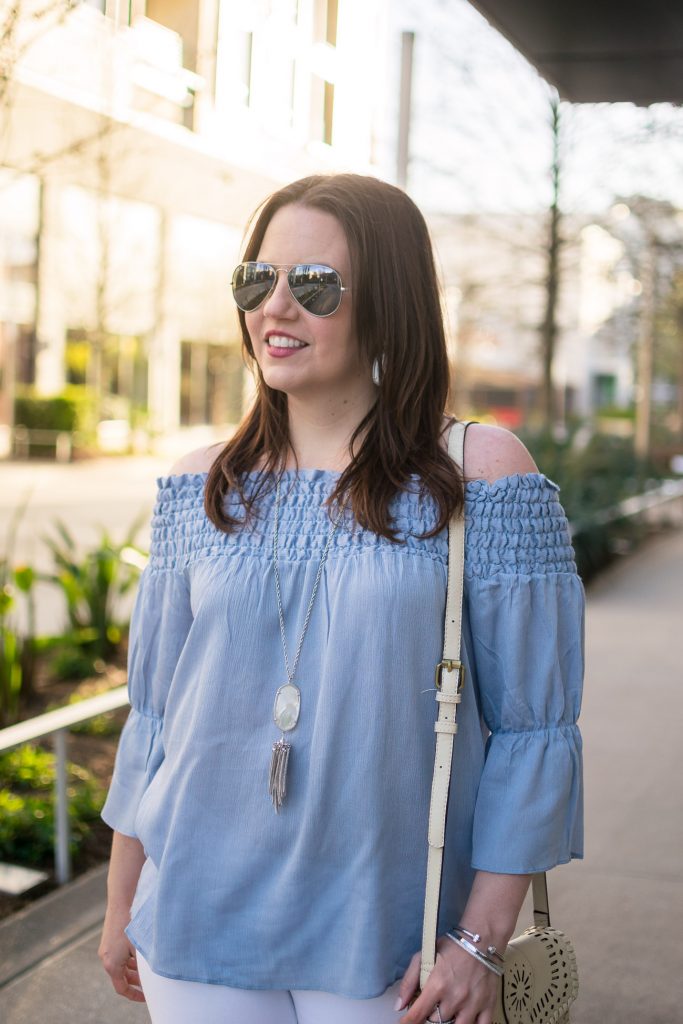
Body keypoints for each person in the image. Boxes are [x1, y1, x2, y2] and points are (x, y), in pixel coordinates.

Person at [98, 173, 584, 1024]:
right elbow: (158, 719)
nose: (274, 308)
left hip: (392, 934)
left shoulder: (482, 474)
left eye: (313, 285)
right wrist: (120, 906)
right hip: (195, 917)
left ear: (386, 303)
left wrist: (480, 941)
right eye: (257, 280)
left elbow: (531, 729)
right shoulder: (198, 485)